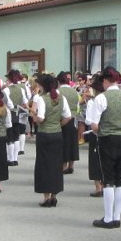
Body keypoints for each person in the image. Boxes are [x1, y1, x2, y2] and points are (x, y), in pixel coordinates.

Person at [91, 67, 121, 228]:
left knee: (108, 180)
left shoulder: (102, 98)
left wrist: (105, 127)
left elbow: (94, 125)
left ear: (105, 80)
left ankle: (108, 218)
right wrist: (120, 124)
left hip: (107, 139)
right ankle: (117, 217)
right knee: (120, 179)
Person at [30, 74, 72, 207]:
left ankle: (46, 196)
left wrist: (33, 115)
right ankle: (54, 194)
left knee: (44, 164)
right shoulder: (61, 98)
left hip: (45, 134)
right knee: (56, 164)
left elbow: (41, 118)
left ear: (43, 86)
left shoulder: (42, 99)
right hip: (57, 134)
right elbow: (68, 116)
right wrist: (59, 125)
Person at [83, 73, 105, 197]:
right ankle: (105, 184)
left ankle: (98, 188)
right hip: (107, 134)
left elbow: (89, 121)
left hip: (96, 133)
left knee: (95, 161)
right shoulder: (107, 100)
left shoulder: (93, 102)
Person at [57, 72, 80, 173]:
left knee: (64, 143)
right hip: (74, 118)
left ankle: (64, 165)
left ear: (58, 81)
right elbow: (78, 105)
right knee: (73, 142)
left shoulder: (58, 92)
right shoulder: (74, 91)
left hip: (63, 119)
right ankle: (71, 165)